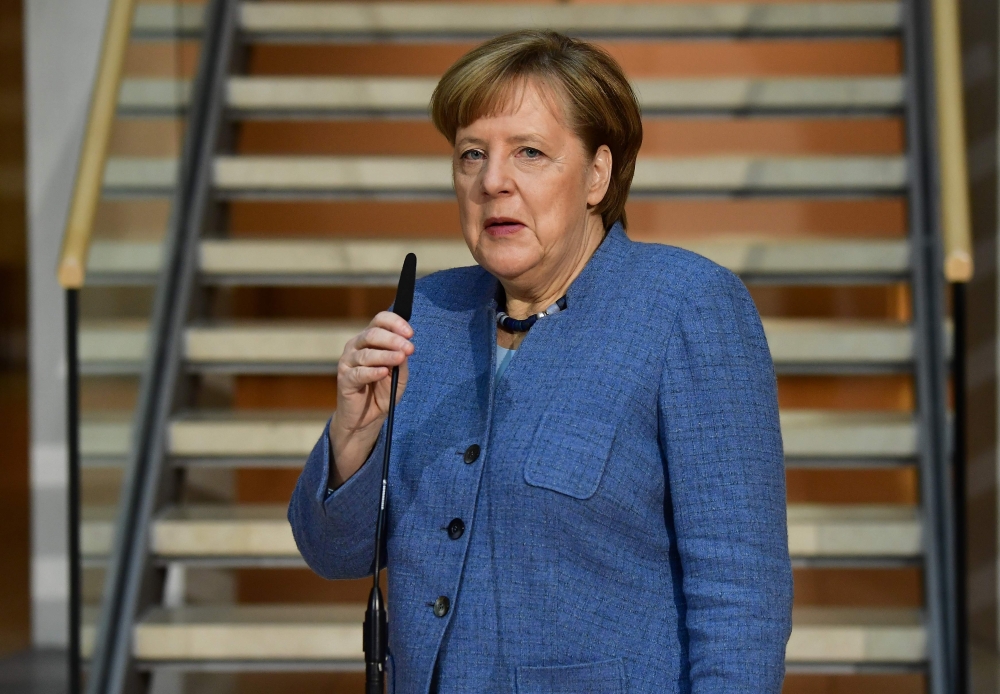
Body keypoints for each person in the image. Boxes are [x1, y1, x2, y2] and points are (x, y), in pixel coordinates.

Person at [288, 29, 792, 693]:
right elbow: (334, 554)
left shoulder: (686, 307)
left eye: (529, 152)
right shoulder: (427, 314)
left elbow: (741, 595)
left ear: (597, 174)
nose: (492, 181)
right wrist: (354, 434)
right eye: (472, 154)